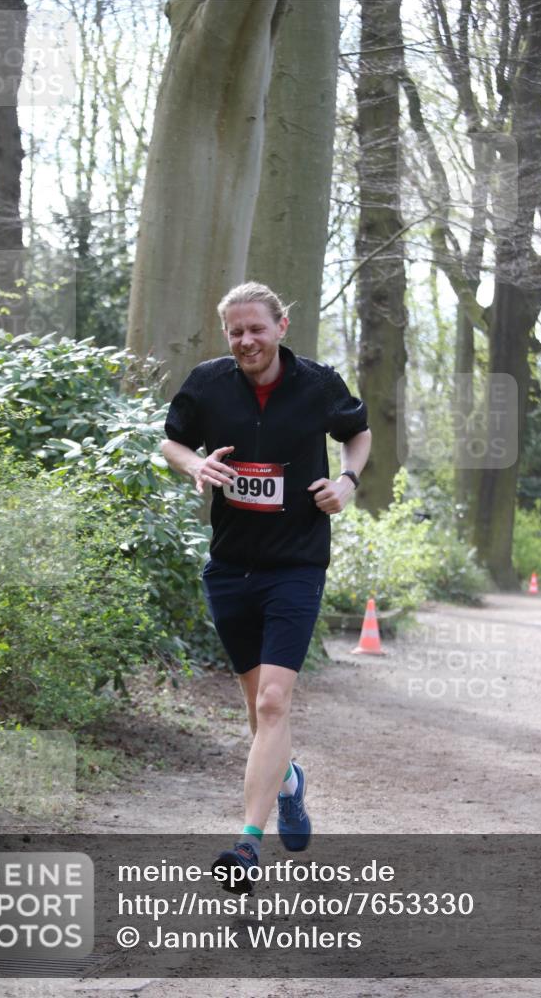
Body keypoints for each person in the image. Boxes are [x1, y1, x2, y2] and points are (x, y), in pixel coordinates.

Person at [160, 282, 371, 893]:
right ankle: (289, 782)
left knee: (275, 703)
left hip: (296, 565)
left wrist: (347, 482)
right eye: (236, 331)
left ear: (281, 326)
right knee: (258, 710)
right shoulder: (207, 384)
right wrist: (195, 463)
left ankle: (247, 845)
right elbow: (172, 441)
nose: (246, 340)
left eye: (257, 328)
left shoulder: (318, 384)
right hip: (230, 567)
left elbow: (357, 433)